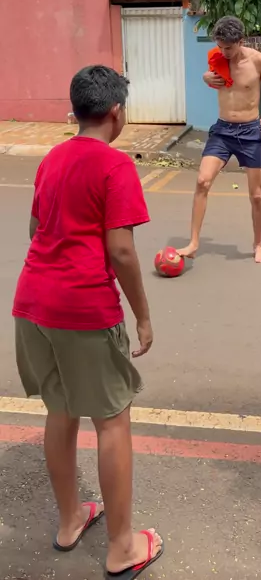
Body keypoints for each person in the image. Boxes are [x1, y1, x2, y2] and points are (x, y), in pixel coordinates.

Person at [12, 66, 163, 579]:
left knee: (60, 410)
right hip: (83, 308)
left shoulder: (52, 158)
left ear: (76, 110)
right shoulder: (115, 164)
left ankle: (70, 519)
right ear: (116, 112)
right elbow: (120, 250)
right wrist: (143, 316)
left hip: (33, 303)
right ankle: (122, 547)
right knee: (112, 420)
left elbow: (36, 228)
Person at [178, 15, 261, 264]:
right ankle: (193, 243)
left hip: (250, 131)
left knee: (257, 195)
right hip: (223, 130)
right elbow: (211, 75)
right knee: (202, 181)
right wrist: (205, 77)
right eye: (220, 46)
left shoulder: (258, 60)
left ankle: (258, 244)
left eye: (229, 48)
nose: (224, 52)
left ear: (241, 41)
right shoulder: (216, 57)